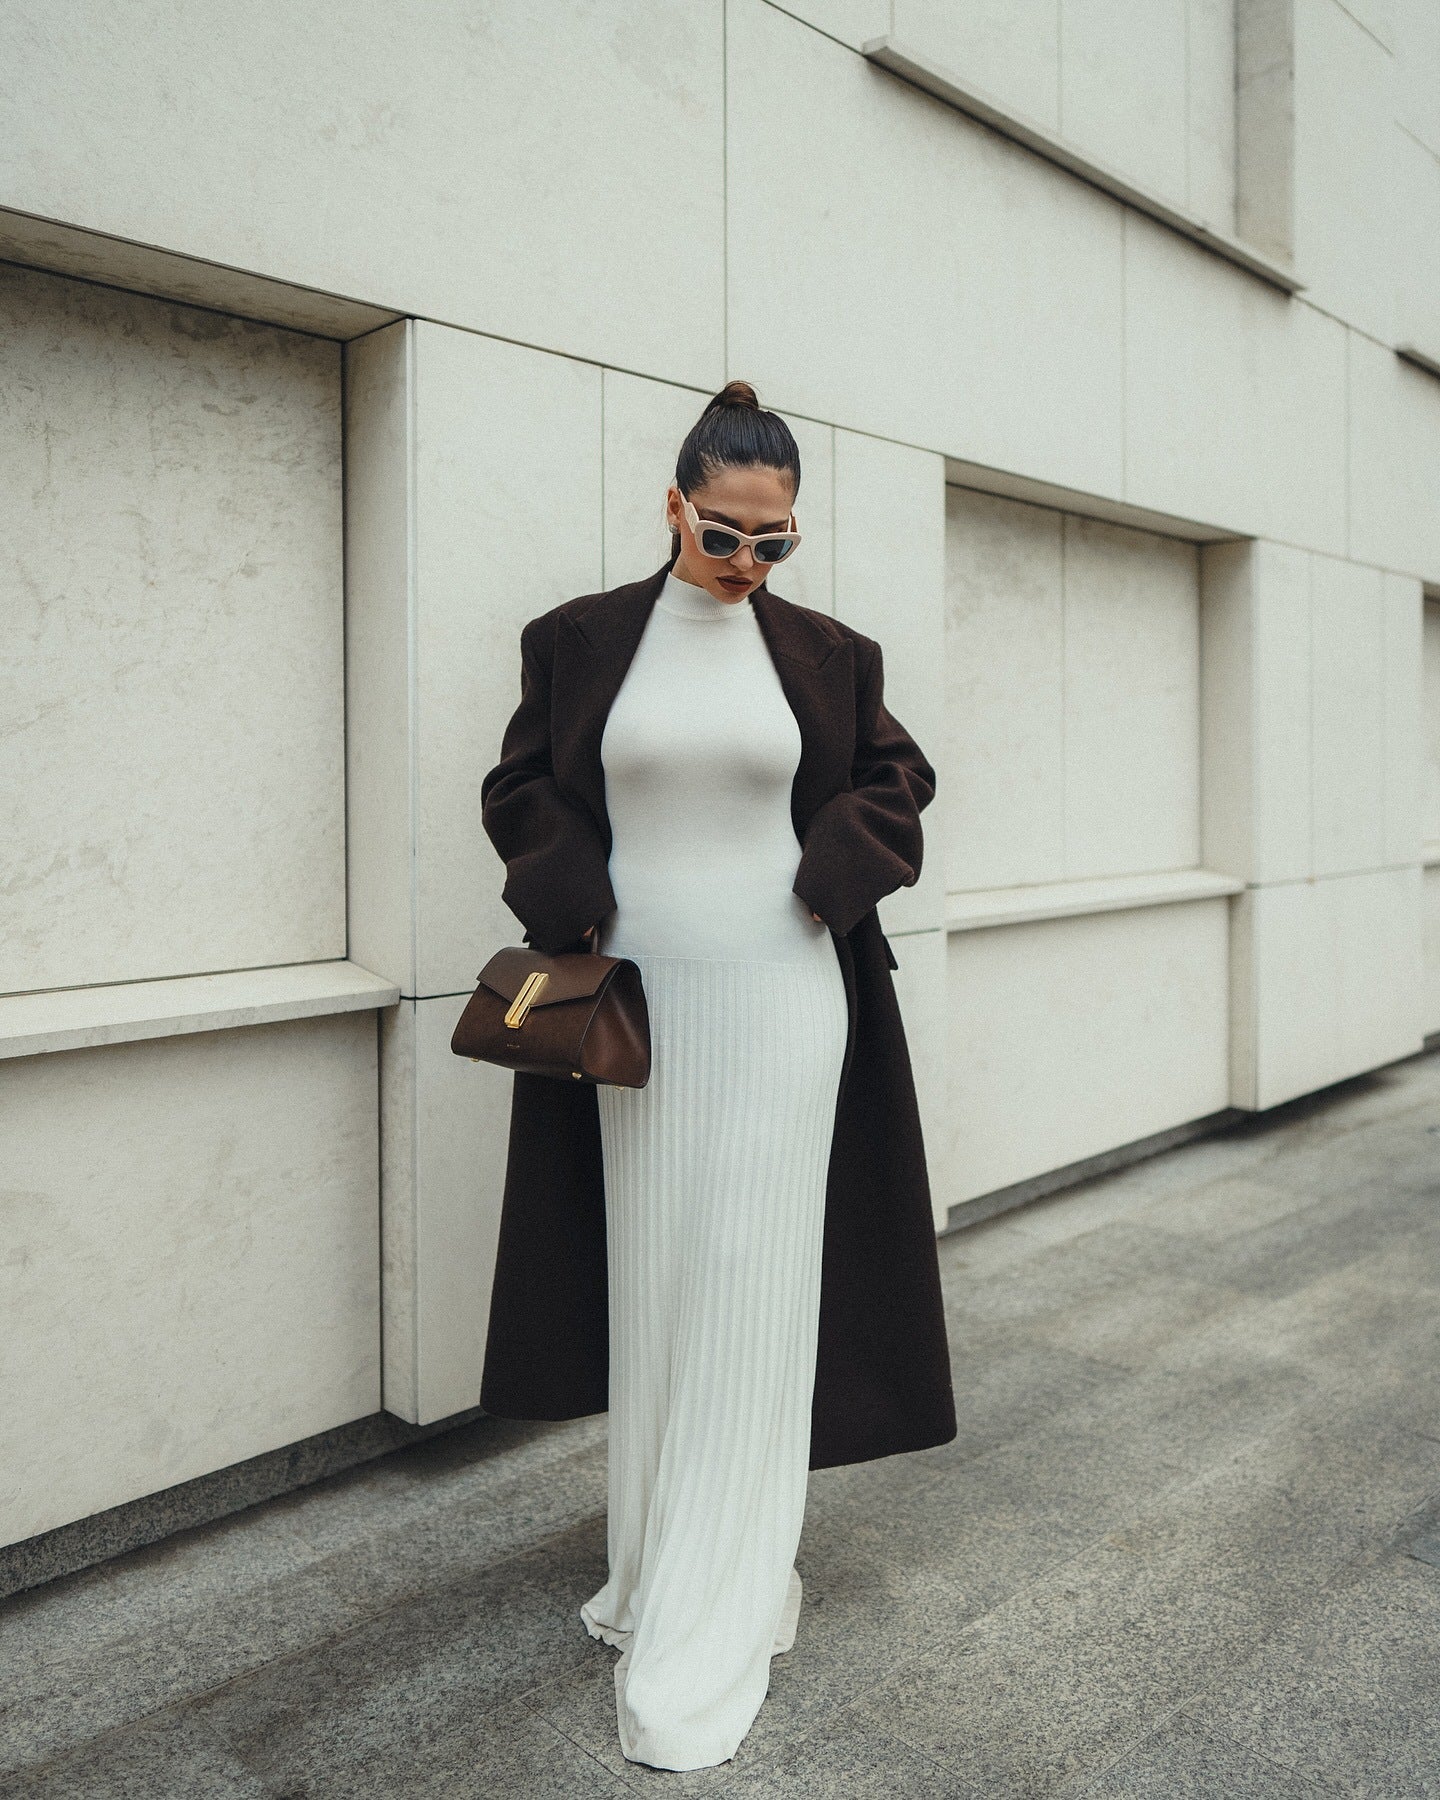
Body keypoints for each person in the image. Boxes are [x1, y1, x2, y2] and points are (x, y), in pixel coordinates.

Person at [479, 380, 955, 1770]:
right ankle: (657, 1562)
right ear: (673, 506)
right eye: (726, 535)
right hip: (634, 1010)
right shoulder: (576, 641)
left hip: (783, 999)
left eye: (775, 543)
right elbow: (522, 790)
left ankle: (725, 1591)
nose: (748, 565)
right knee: (660, 1273)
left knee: (753, 1277)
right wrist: (572, 895)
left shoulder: (828, 651)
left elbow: (899, 778)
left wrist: (825, 878)